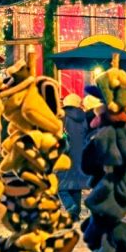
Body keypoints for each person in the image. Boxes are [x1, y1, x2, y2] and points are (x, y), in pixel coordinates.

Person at [57, 93, 89, 221]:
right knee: (76, 185)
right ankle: (75, 213)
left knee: (60, 186)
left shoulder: (61, 117)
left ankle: (72, 208)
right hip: (80, 156)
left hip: (64, 156)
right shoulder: (85, 117)